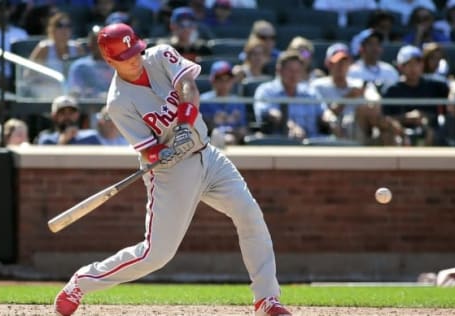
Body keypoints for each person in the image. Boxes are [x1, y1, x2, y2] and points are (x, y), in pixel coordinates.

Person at [53, 23, 291, 316]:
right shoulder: (118, 102)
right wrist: (161, 153)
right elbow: (146, 149)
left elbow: (188, 87)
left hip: (208, 154)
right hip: (171, 172)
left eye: (136, 50)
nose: (135, 58)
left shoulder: (160, 55)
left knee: (250, 215)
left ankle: (266, 299)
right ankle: (82, 282)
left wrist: (185, 122)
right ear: (110, 61)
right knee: (156, 255)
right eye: (126, 55)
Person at [311, 43, 384, 145]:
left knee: (385, 128)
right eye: (337, 62)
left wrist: (371, 101)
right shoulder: (318, 86)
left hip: (365, 129)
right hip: (332, 129)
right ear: (328, 64)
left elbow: (375, 100)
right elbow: (322, 115)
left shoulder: (359, 83)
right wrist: (349, 97)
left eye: (345, 62)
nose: (341, 66)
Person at [381, 45, 450, 146]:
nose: (413, 68)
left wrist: (453, 94)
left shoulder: (435, 84)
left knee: (430, 133)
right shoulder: (391, 89)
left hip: (428, 130)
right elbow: (384, 118)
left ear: (422, 65)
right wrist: (407, 118)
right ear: (400, 67)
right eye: (408, 64)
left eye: (417, 63)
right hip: (399, 132)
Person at [253, 50, 330, 140]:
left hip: (313, 143)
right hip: (280, 144)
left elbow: (324, 112)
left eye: (297, 70)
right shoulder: (265, 90)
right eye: (289, 70)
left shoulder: (310, 92)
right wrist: (291, 126)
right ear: (279, 70)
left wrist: (332, 121)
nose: (294, 75)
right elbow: (270, 114)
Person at [200, 60, 249, 147]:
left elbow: (243, 129)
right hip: (210, 143)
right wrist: (213, 121)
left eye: (227, 79)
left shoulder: (238, 102)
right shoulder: (203, 101)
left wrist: (233, 131)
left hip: (234, 141)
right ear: (213, 80)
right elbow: (201, 129)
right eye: (220, 79)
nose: (224, 84)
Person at [67, 25, 115, 99]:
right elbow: (75, 90)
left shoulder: (118, 65)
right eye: (95, 42)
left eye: (102, 42)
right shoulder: (80, 66)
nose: (98, 46)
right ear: (90, 44)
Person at [35, 95, 102, 145]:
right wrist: (63, 141)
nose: (67, 116)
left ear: (77, 115)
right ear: (54, 116)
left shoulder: (91, 137)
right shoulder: (47, 140)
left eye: (71, 113)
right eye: (62, 113)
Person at [0, 1, 29, 91]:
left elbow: (29, 57)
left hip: (20, 76)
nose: (2, 12)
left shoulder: (21, 33)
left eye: (6, 8)